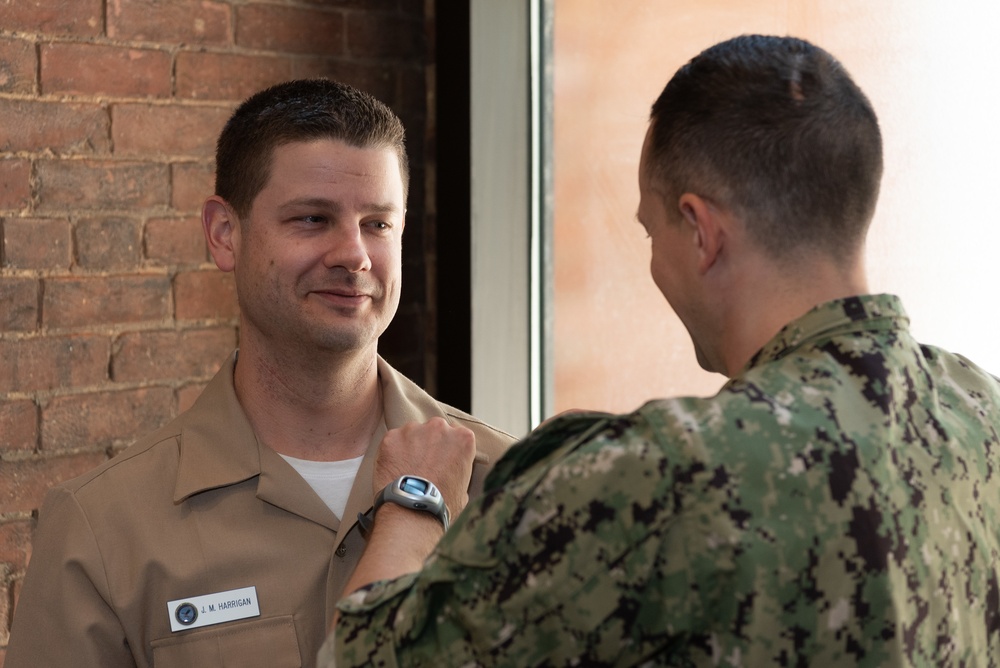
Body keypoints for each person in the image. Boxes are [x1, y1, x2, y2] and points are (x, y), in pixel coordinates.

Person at [321, 35, 1000, 666]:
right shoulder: (981, 411)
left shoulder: (664, 472)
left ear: (701, 232)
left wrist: (415, 500)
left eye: (653, 232)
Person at [5, 79, 513, 668]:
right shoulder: (102, 530)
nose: (355, 255)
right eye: (313, 219)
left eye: (378, 223)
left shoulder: (507, 484)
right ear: (226, 235)